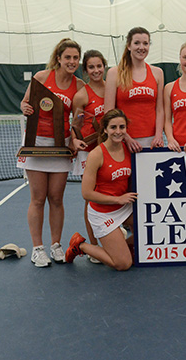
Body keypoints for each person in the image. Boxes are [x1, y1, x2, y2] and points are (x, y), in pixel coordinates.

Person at [18, 38, 85, 267]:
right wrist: (24, 107)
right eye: (68, 57)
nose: (72, 61)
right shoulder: (42, 77)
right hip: (36, 143)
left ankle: (56, 245)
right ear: (58, 58)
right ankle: (38, 249)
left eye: (76, 58)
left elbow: (76, 121)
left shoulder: (79, 86)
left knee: (56, 198)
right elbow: (25, 103)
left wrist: (74, 142)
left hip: (61, 146)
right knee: (37, 199)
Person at [65, 109, 136, 271]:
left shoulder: (128, 149)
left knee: (153, 226)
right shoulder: (96, 155)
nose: (118, 132)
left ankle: (119, 247)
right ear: (105, 129)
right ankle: (80, 245)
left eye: (122, 127)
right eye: (113, 127)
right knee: (123, 264)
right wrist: (117, 199)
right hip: (103, 213)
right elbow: (87, 193)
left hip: (124, 208)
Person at [70, 49, 107, 264]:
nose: (95, 70)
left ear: (104, 66)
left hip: (109, 151)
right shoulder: (82, 95)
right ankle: (93, 246)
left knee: (110, 191)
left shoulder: (111, 89)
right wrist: (76, 140)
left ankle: (110, 236)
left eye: (99, 66)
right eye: (91, 67)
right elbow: (76, 125)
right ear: (85, 70)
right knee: (91, 197)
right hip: (89, 153)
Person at [104, 27, 165, 152]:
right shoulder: (114, 73)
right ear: (129, 46)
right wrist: (125, 137)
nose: (141, 47)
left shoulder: (157, 73)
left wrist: (158, 135)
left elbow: (159, 109)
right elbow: (109, 111)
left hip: (151, 140)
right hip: (123, 140)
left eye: (145, 43)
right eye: (136, 43)